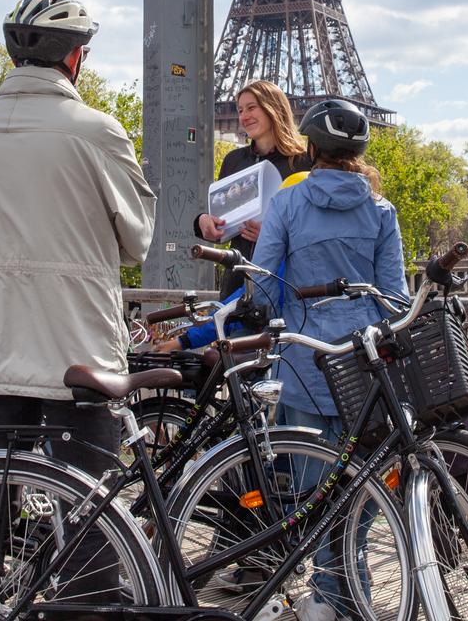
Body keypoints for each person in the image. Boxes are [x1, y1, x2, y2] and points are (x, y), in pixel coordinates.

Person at [161, 99, 404, 621]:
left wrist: (204, 330)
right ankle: (349, 591)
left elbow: (263, 294)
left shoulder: (289, 206)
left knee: (310, 492)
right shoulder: (383, 212)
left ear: (312, 149)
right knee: (359, 490)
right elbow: (396, 299)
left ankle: (327, 597)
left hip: (304, 365)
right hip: (364, 368)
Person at [0, 0, 156, 598]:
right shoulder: (97, 131)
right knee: (89, 500)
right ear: (74, 59)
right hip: (76, 345)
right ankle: (87, 604)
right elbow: (136, 240)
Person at [198, 80, 312, 295]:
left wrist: (276, 236)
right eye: (240, 110)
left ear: (274, 109)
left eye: (252, 108)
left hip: (288, 286)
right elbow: (221, 221)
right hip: (238, 284)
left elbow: (319, 231)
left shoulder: (305, 163)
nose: (244, 117)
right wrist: (203, 221)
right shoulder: (233, 161)